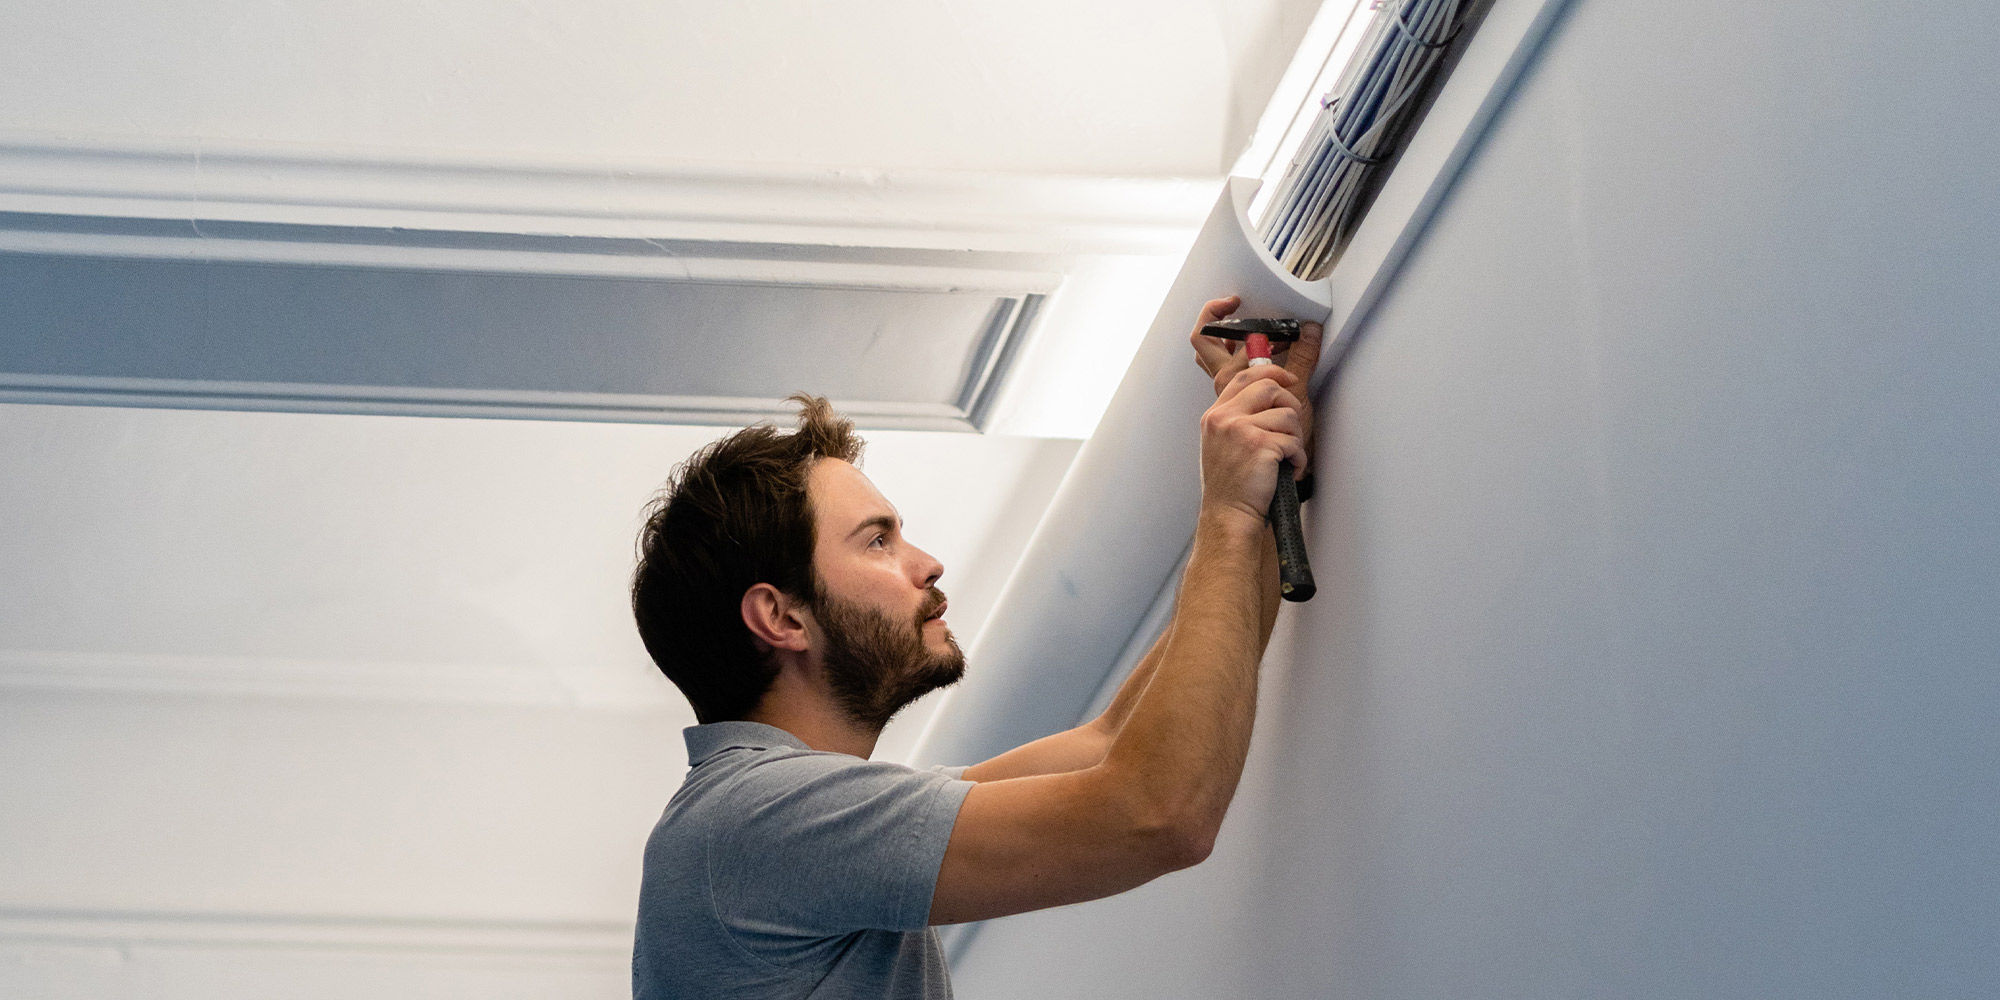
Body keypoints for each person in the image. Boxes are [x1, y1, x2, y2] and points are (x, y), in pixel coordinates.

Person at [629, 297, 1322, 999]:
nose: (926, 563)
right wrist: (1228, 511)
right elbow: (1156, 812)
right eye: (877, 541)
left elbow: (1114, 744)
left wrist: (1262, 492)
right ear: (782, 617)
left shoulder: (779, 821)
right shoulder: (754, 819)